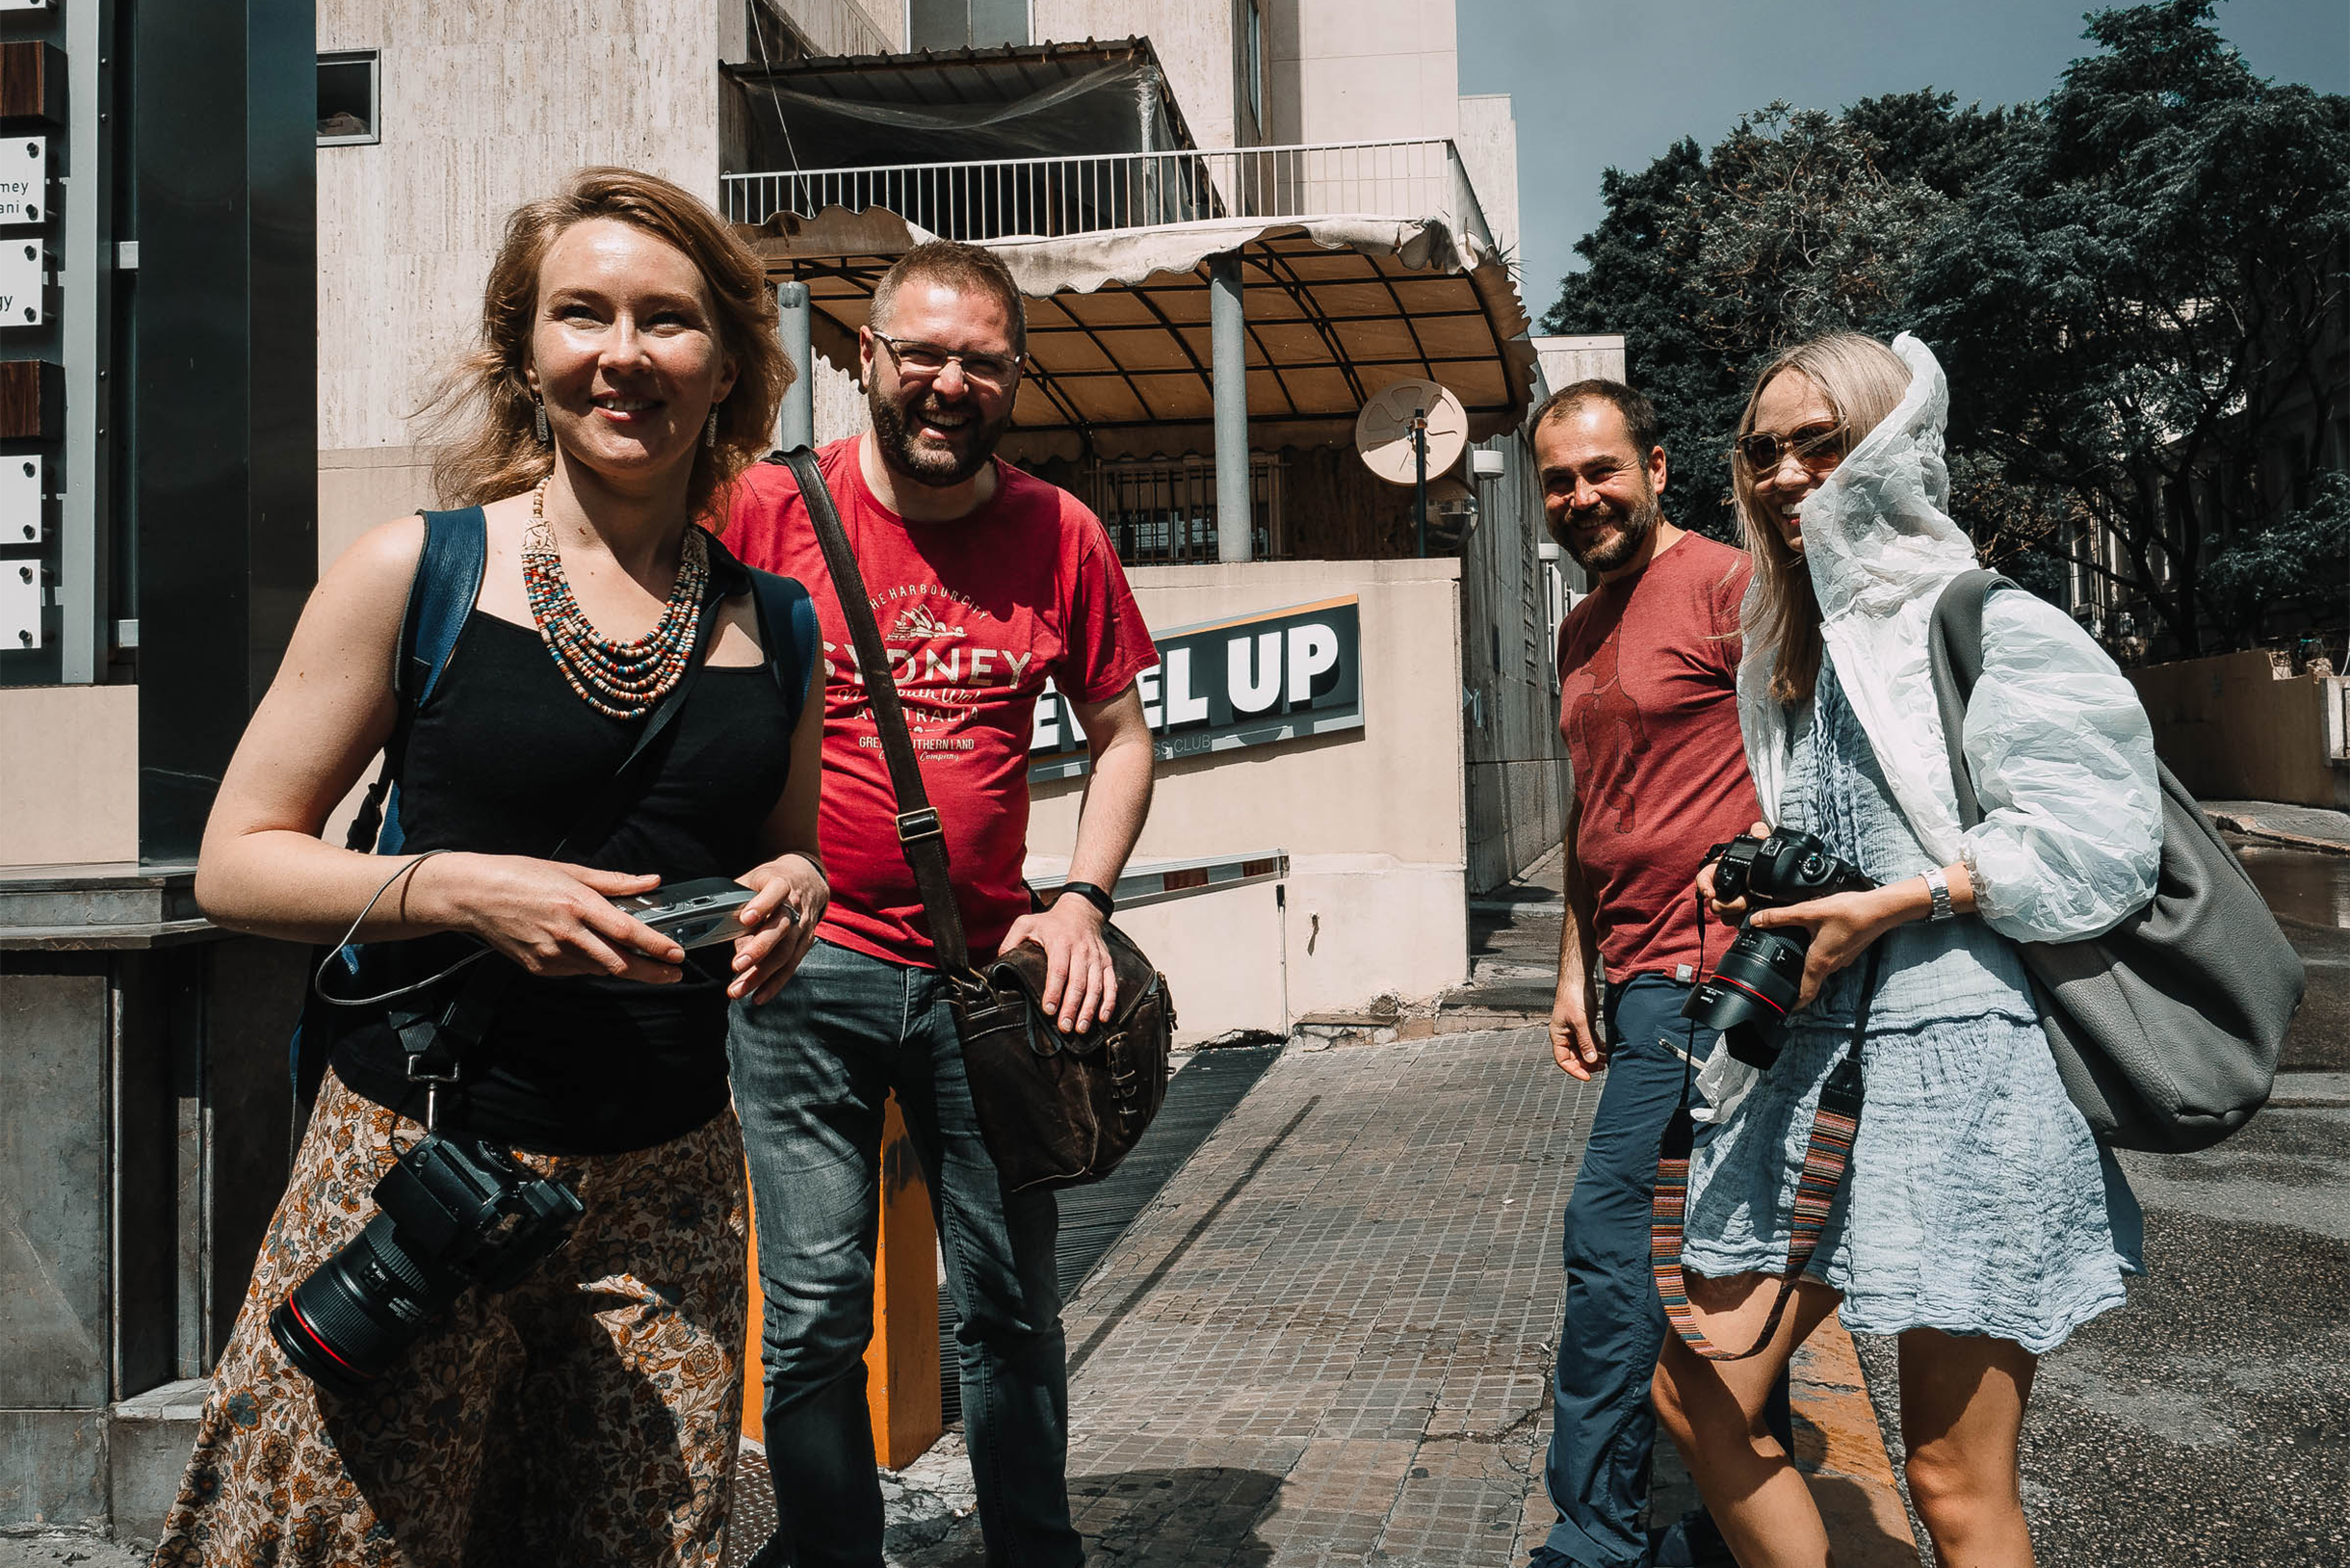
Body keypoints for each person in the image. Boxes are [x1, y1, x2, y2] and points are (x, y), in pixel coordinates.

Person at [154, 167, 825, 1566]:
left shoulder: (784, 624)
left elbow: (782, 851)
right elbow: (236, 862)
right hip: (424, 1164)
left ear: (729, 369)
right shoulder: (420, 569)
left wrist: (796, 894)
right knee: (341, 1542)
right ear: (526, 354)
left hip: (672, 1189)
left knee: (645, 1544)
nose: (623, 355)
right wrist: (466, 887)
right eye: (582, 316)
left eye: (668, 321)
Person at [1652, 331, 2157, 1568]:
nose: (1783, 472)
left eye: (1818, 442)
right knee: (1696, 1388)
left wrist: (1899, 899)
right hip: (1805, 1053)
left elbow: (2097, 844)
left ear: (1884, 445)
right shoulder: (1789, 643)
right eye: (1763, 448)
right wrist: (1759, 870)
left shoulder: (1979, 614)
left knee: (1949, 1475)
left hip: (1963, 1062)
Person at [723, 240, 1159, 1568]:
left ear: (1014, 376)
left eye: (980, 358)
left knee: (1013, 1305)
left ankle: (1034, 1548)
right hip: (799, 978)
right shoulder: (761, 511)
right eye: (921, 352)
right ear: (867, 358)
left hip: (984, 985)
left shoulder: (1057, 532)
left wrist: (1081, 902)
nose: (947, 381)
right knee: (811, 1312)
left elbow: (1124, 732)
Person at [1528, 381, 1791, 1568]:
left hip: (1715, 979)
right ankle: (1739, 1532)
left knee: (1612, 1241)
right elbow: (1595, 811)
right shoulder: (1581, 624)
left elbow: (1807, 766)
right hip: (1634, 974)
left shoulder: (1733, 588)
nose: (1581, 496)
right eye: (1559, 480)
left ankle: (1594, 1539)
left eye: (1601, 470)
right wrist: (1571, 965)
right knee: (1716, 1251)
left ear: (1657, 466)